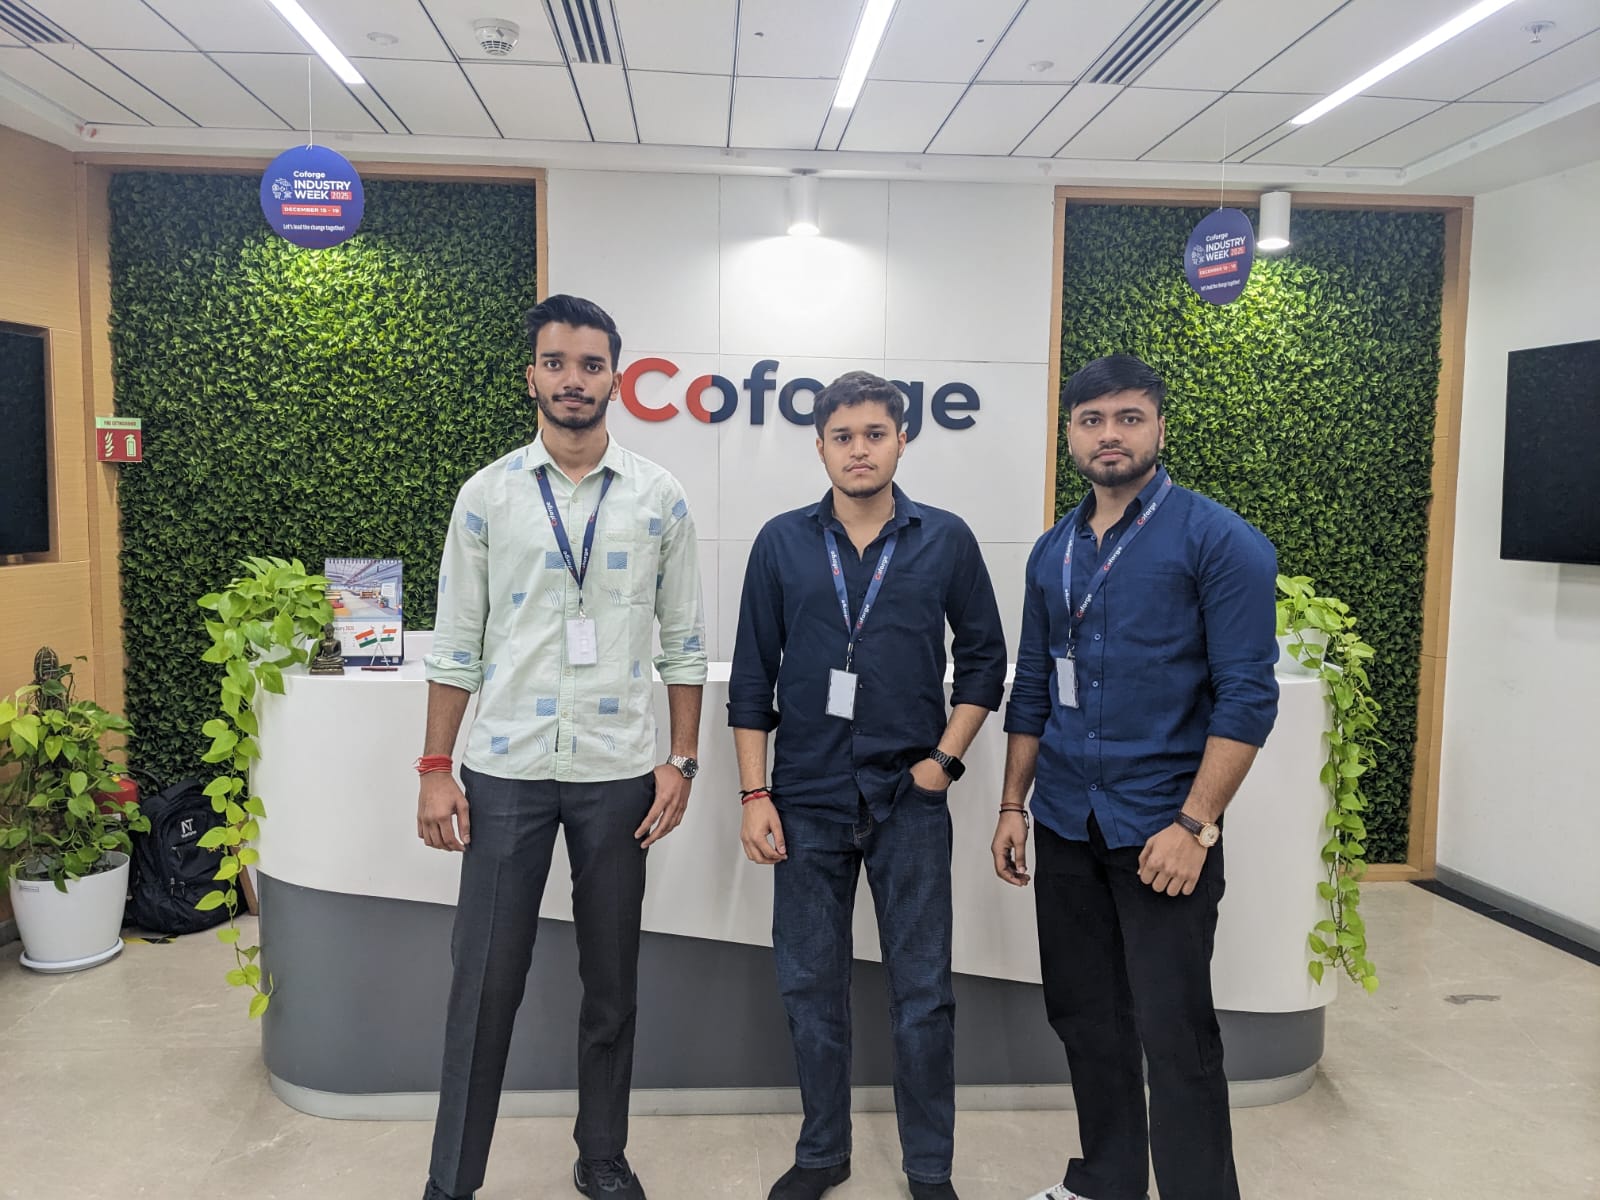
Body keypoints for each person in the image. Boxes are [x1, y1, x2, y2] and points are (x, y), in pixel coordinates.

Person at [418, 294, 707, 1200]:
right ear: (532, 376)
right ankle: (452, 1180)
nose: (573, 379)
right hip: (504, 770)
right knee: (484, 985)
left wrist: (682, 760)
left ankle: (602, 1155)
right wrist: (435, 768)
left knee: (611, 985)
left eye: (590, 364)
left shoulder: (659, 497)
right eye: (556, 363)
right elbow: (454, 645)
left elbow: (684, 645)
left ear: (615, 376)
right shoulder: (488, 495)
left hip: (618, 774)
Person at [993, 354, 1279, 1200]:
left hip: (1163, 830)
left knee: (1175, 1034)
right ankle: (1106, 1181)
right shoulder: (1053, 551)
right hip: (1065, 821)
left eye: (1128, 417)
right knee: (1085, 1017)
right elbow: (1033, 686)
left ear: (1158, 426)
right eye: (1092, 420)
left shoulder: (1219, 541)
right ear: (1070, 434)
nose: (1109, 435)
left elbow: (1247, 698)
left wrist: (1195, 825)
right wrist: (1013, 804)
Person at [729, 370, 1007, 1200]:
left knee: (923, 994)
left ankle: (929, 1168)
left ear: (902, 440)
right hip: (805, 800)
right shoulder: (780, 543)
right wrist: (753, 794)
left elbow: (985, 661)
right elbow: (753, 679)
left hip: (908, 802)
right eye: (843, 437)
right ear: (819, 446)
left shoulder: (946, 539)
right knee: (810, 988)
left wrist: (942, 765)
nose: (860, 450)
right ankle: (824, 1154)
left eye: (875, 434)